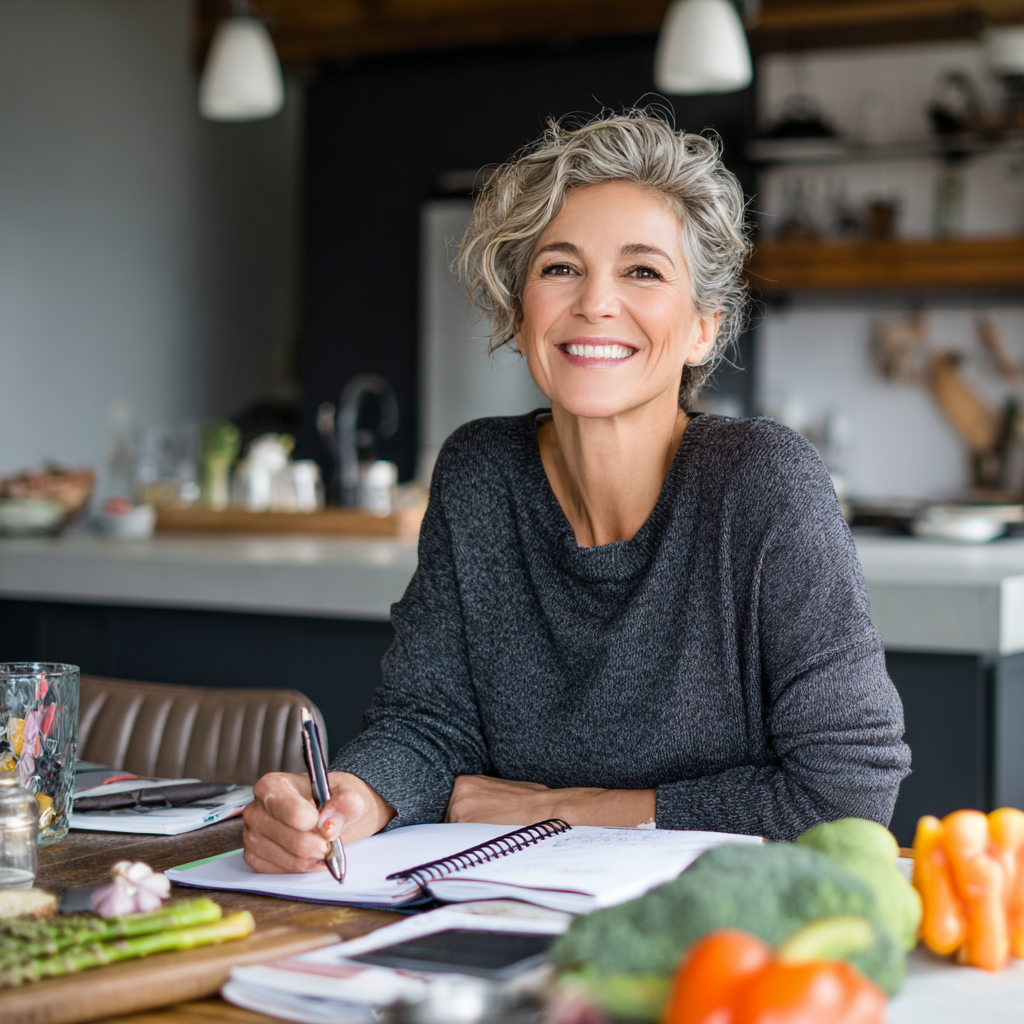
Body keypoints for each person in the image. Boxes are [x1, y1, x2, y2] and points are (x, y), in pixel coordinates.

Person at [242, 111, 910, 875]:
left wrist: (560, 808)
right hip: (505, 908)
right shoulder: (480, 473)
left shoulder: (763, 483)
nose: (595, 302)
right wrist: (352, 800)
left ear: (701, 328)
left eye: (643, 270)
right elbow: (428, 725)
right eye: (560, 267)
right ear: (520, 316)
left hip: (719, 932)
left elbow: (847, 799)